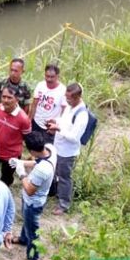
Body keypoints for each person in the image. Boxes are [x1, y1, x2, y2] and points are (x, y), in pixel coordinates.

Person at [9, 133, 57, 260]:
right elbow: (37, 161)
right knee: (27, 222)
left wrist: (21, 173)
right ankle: (23, 239)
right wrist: (21, 162)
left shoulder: (42, 170)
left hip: (33, 202)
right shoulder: (50, 149)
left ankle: (32, 258)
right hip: (32, 199)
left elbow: (30, 190)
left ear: (31, 151)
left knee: (33, 231)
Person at [47, 83, 87, 216]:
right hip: (58, 147)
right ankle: (54, 193)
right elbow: (65, 121)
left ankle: (64, 204)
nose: (67, 100)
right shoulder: (70, 107)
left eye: (69, 98)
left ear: (77, 97)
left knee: (64, 177)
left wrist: (58, 129)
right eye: (66, 97)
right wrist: (56, 121)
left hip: (67, 152)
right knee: (54, 172)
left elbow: (74, 137)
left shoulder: (82, 115)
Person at [0, 86, 31, 187]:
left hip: (11, 156)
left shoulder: (23, 119)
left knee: (6, 179)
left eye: (9, 97)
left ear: (17, 99)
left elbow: (27, 137)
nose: (6, 100)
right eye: (4, 97)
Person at [0, 58, 32, 130]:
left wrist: (23, 121)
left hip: (15, 120)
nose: (13, 73)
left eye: (16, 71)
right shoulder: (1, 83)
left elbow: (27, 107)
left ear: (22, 71)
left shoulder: (25, 87)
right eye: (11, 70)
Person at [30, 64, 66, 144]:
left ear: (57, 76)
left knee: (47, 149)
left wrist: (57, 126)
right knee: (34, 146)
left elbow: (64, 111)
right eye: (47, 76)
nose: (49, 79)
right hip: (36, 122)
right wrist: (30, 120)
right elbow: (34, 104)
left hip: (50, 126)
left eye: (52, 77)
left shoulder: (63, 91)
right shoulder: (40, 85)